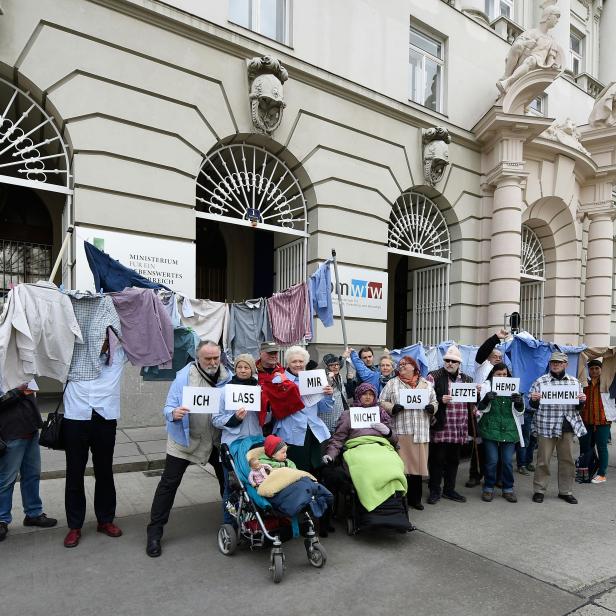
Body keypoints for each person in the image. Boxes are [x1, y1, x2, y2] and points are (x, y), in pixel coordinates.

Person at [146, 340, 231, 557]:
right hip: (184, 441)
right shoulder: (184, 378)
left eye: (215, 358)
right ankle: (154, 533)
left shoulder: (227, 377)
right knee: (168, 484)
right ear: (197, 358)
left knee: (228, 482)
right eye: (207, 358)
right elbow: (168, 406)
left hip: (214, 440)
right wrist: (173, 414)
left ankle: (232, 523)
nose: (212, 362)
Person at [62, 339, 127, 549]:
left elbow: (144, 332)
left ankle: (105, 520)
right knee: (74, 472)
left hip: (105, 418)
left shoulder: (119, 354)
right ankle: (74, 526)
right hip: (75, 417)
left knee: (105, 471)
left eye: (106, 337)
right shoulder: (72, 351)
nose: (103, 341)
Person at [0, 381, 57, 542]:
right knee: (6, 479)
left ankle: (33, 513)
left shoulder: (23, 369)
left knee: (32, 475)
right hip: (10, 432)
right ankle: (2, 519)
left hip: (30, 430)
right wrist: (18, 391)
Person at [529, 351, 586, 504]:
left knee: (567, 460)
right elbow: (533, 405)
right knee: (543, 460)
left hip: (566, 426)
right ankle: (539, 490)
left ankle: (565, 491)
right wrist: (534, 400)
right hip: (546, 425)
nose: (556, 364)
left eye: (559, 362)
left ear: (565, 365)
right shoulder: (540, 382)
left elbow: (579, 407)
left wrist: (581, 401)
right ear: (550, 364)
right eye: (553, 362)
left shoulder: (574, 383)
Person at [379, 356, 436, 510]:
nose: (402, 366)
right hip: (402, 431)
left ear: (414, 367)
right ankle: (401, 499)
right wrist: (392, 408)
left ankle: (415, 499)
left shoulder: (426, 384)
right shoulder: (392, 383)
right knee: (402, 468)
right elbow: (381, 401)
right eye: (400, 364)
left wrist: (432, 408)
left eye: (405, 364)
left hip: (420, 431)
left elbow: (434, 401)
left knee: (417, 468)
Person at [212, 354, 262, 523]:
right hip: (232, 444)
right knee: (232, 485)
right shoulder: (225, 390)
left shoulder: (260, 389)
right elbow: (216, 419)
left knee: (256, 481)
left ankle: (254, 521)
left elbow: (267, 418)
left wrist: (267, 411)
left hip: (255, 443)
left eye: (246, 367)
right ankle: (230, 522)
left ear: (252, 370)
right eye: (239, 367)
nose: (242, 370)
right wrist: (235, 419)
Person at [426, 345, 478, 505]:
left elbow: (474, 403)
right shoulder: (433, 376)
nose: (450, 363)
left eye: (453, 361)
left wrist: (479, 392)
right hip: (440, 425)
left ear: (459, 363)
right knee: (437, 460)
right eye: (447, 360)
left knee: (453, 460)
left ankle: (449, 489)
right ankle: (435, 490)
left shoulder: (467, 379)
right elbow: (427, 399)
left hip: (458, 427)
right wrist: (440, 399)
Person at [272, 346, 333, 473]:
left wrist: (328, 395)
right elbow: (278, 409)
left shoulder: (314, 378)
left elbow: (324, 408)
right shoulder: (279, 380)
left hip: (313, 431)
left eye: (301, 361)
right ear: (288, 363)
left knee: (315, 469)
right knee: (296, 471)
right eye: (294, 361)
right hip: (291, 433)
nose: (298, 364)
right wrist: (290, 387)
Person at [476, 363, 525, 503]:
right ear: (493, 374)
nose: (502, 377)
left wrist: (519, 403)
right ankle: (488, 487)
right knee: (492, 461)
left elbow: (519, 412)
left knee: (507, 461)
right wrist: (486, 399)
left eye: (504, 374)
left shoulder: (513, 388)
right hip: (490, 429)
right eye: (499, 374)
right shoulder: (486, 386)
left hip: (509, 430)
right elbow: (480, 409)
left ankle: (508, 488)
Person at [466, 329, 508, 488]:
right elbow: (483, 350)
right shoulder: (481, 365)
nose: (497, 359)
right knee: (479, 444)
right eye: (494, 356)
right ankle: (475, 474)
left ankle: (497, 477)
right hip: (480, 412)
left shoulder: (505, 372)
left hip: (499, 413)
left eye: (500, 357)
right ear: (488, 357)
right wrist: (496, 338)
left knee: (497, 446)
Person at [324, 382, 398, 463]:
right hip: (357, 448)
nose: (368, 397)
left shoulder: (381, 414)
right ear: (358, 395)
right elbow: (338, 439)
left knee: (393, 463)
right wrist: (330, 455)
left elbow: (395, 440)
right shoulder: (348, 414)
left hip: (380, 447)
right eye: (364, 394)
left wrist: (388, 432)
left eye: (371, 394)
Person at [579, 359, 610, 484]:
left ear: (601, 370)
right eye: (592, 369)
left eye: (597, 368)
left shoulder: (606, 383)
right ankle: (586, 470)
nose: (594, 371)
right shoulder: (584, 384)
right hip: (586, 420)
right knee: (586, 447)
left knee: (602, 447)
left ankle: (602, 473)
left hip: (603, 421)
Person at [319, 353, 349, 433]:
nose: (336, 367)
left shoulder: (338, 375)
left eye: (337, 364)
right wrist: (329, 379)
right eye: (332, 365)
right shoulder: (322, 379)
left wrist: (343, 356)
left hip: (339, 417)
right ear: (326, 367)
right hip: (327, 419)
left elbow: (339, 364)